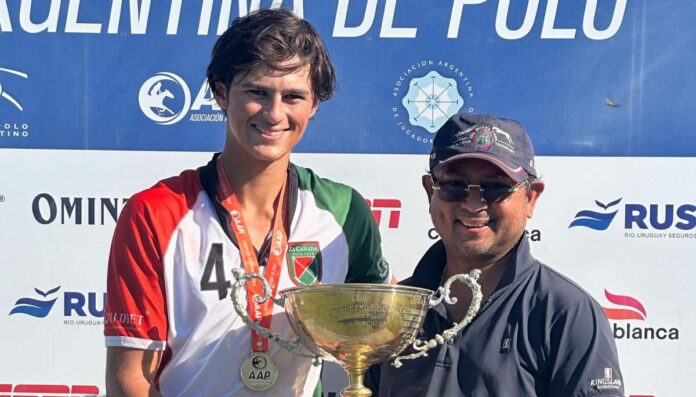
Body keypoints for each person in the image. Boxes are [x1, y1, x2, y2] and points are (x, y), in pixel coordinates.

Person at [104, 8, 390, 397]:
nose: (275, 114)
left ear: (314, 105)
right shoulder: (155, 213)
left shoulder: (346, 212)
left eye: (293, 96)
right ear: (221, 93)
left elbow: (370, 346)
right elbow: (131, 380)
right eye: (257, 92)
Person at [366, 113, 624, 396]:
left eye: (496, 187)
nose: (474, 204)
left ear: (531, 198)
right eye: (455, 185)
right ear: (431, 192)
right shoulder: (391, 308)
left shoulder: (566, 313)